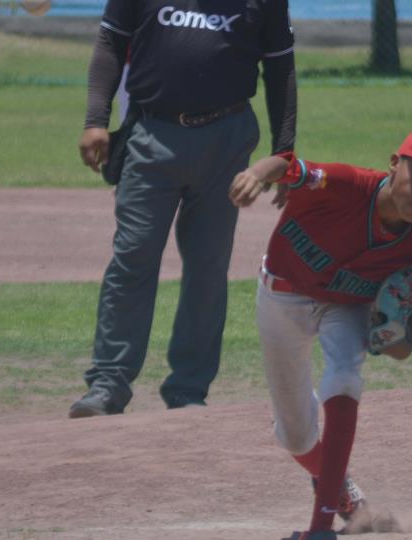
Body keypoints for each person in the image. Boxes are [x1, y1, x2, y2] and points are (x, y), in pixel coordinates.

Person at [229, 124, 412, 539]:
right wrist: (256, 173)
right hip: (280, 297)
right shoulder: (344, 185)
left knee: (344, 375)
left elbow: (404, 349)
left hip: (343, 306)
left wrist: (392, 333)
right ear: (395, 164)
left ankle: (321, 525)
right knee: (294, 436)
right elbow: (288, 167)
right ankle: (342, 493)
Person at [70, 0, 297, 417]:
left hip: (227, 138)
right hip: (150, 134)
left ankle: (189, 389)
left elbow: (281, 68)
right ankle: (108, 384)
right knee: (133, 256)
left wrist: (284, 153)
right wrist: (95, 119)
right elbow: (110, 42)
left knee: (208, 265)